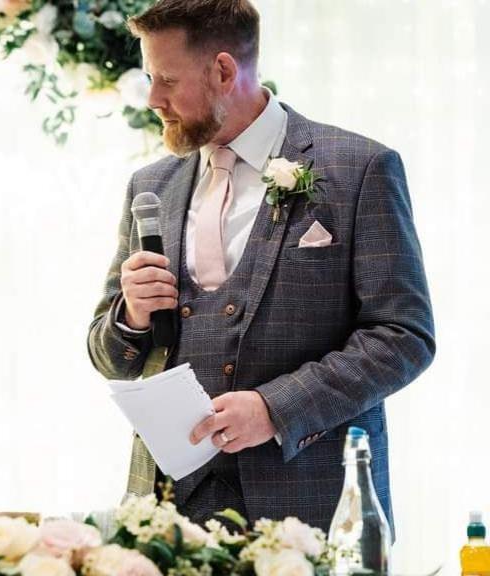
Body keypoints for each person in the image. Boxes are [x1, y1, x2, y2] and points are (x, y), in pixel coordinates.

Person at [86, 0, 434, 532]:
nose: (153, 99)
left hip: (311, 509)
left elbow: (404, 336)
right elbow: (110, 359)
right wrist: (129, 316)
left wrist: (276, 409)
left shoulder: (359, 169)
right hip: (162, 518)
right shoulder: (149, 186)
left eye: (167, 80)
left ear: (224, 70)